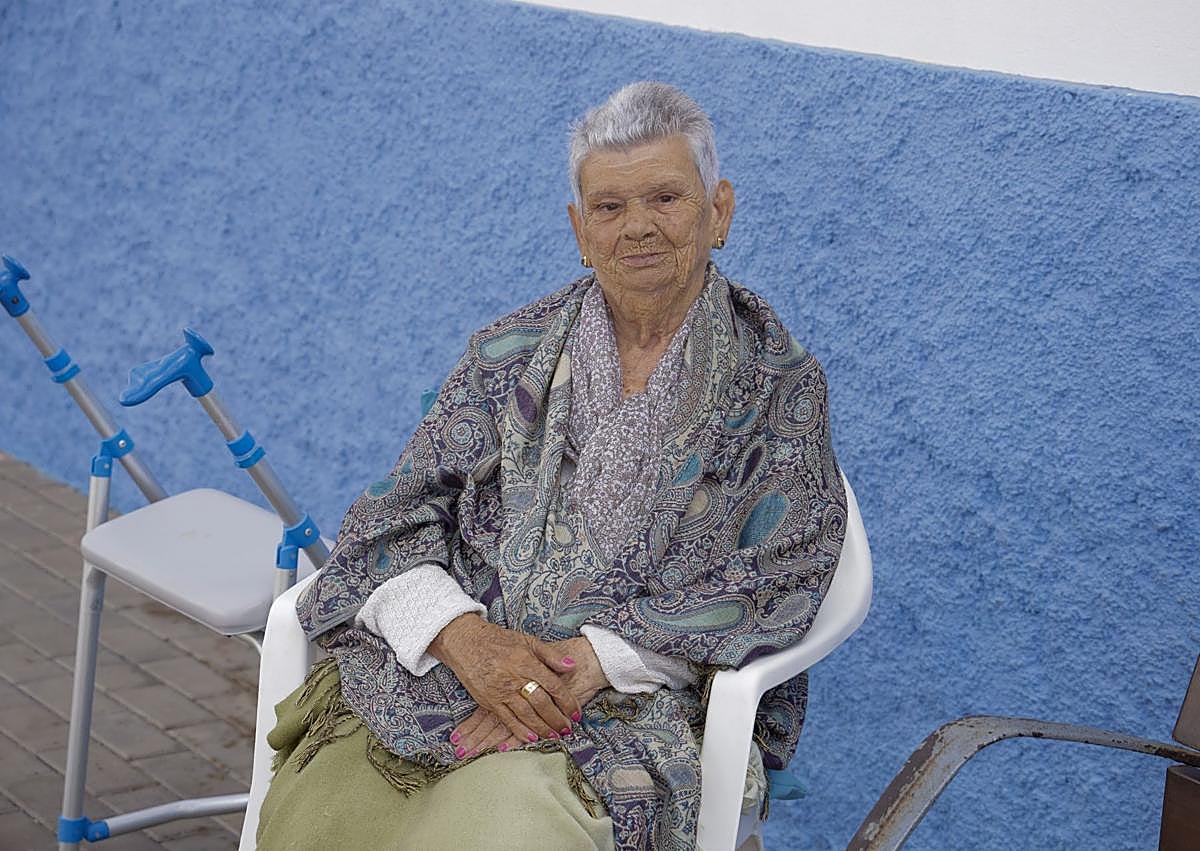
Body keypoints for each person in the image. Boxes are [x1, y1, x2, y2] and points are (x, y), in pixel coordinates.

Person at [256, 81, 846, 851]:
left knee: (503, 827)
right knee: (321, 809)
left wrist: (588, 660)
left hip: (626, 699)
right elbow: (388, 521)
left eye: (665, 197)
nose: (637, 226)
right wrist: (464, 640)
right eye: (608, 207)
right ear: (579, 228)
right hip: (456, 669)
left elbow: (784, 567)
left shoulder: (775, 380)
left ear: (718, 211)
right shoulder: (507, 353)